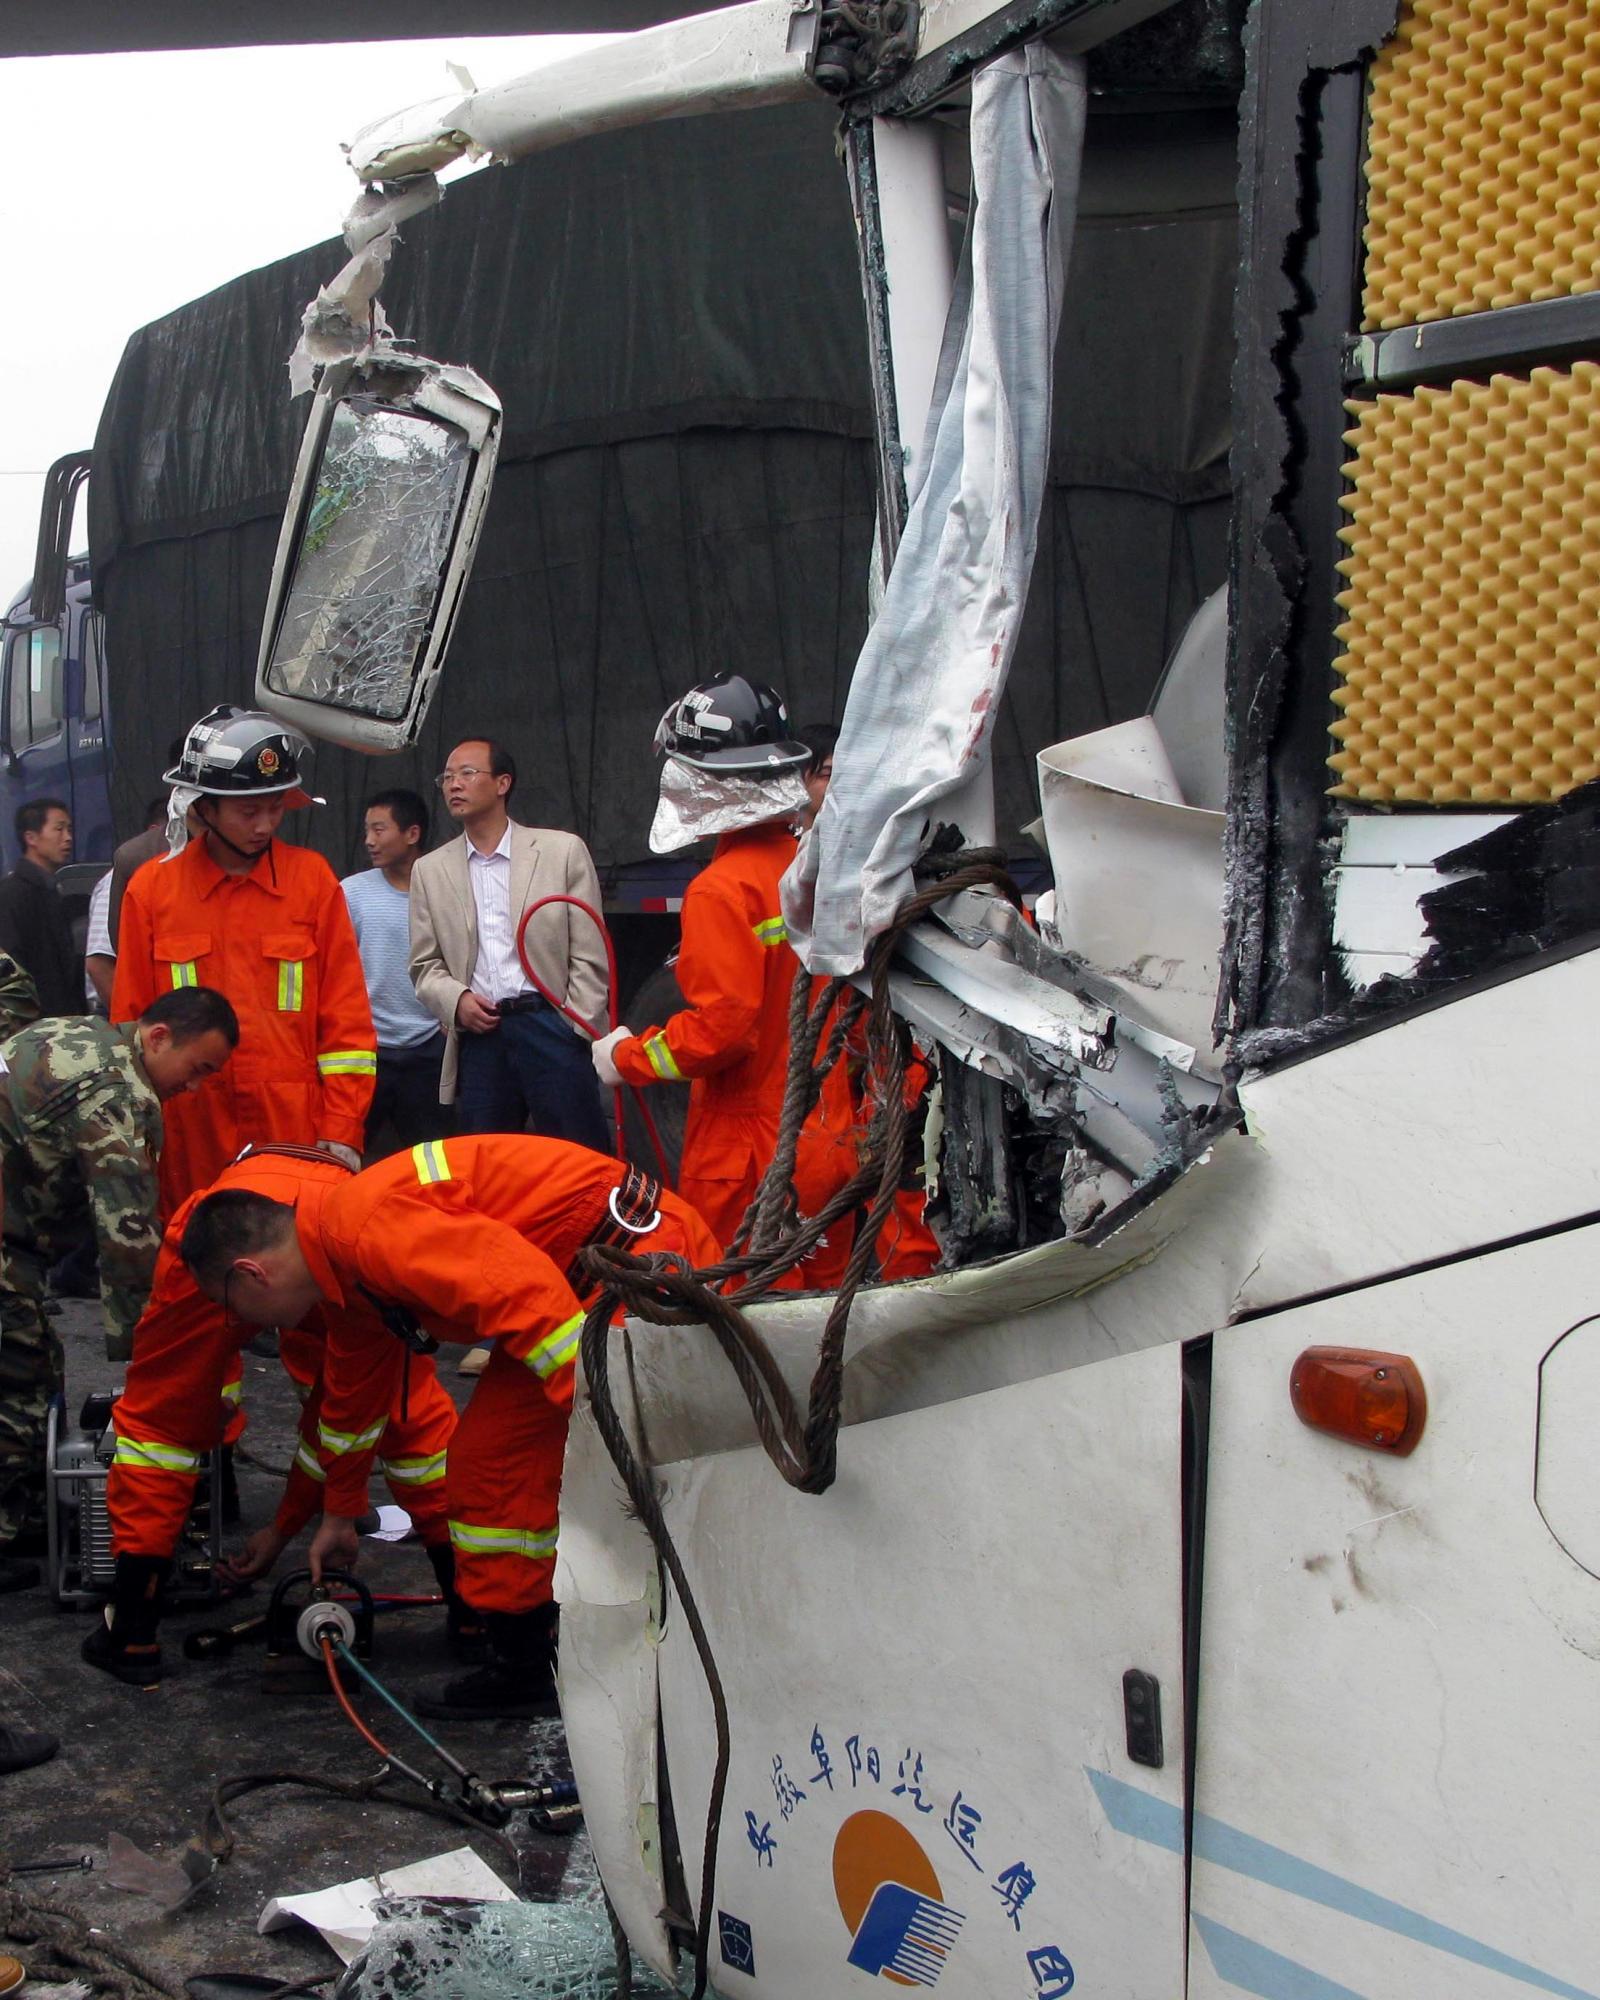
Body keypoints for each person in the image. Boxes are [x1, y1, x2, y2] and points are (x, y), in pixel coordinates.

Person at [178, 1132, 720, 1719]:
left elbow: (521, 1291)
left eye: (228, 1305)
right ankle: (526, 1655)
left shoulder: (363, 1230)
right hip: (591, 1273)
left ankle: (535, 1665)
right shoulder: (343, 1271)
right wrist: (335, 1513)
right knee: (491, 1465)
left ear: (251, 1274)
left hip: (636, 1266)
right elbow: (353, 1409)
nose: (237, 1322)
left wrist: (616, 1423)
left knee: (498, 1470)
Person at [84, 1144, 459, 1688]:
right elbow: (339, 1414)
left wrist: (297, 1524)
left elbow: (175, 1415)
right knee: (411, 1419)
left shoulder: (221, 1234)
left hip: (236, 1233)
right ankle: (478, 1617)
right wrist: (306, 1520)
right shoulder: (357, 1234)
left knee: (160, 1423)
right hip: (334, 1236)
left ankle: (133, 1632)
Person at [0, 989, 239, 1585]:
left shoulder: (75, 1031)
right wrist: (157, 1368)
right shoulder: (119, 1095)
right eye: (198, 1069)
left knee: (33, 1365)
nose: (194, 1088)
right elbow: (127, 1242)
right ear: (158, 1037)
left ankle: (22, 1507)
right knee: (19, 1378)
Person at [111, 707, 377, 1216]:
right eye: (248, 811)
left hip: (292, 1126)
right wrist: (135, 1135)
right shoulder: (152, 891)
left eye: (275, 808)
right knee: (192, 1266)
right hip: (189, 1127)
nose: (265, 825)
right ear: (203, 808)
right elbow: (130, 1024)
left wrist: (342, 1129)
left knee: (289, 1274)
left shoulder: (311, 881)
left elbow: (346, 1025)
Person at [591, 675, 813, 1248]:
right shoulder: (808, 866)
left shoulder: (721, 889)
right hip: (821, 1129)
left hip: (749, 1149)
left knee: (741, 1304)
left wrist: (627, 1057)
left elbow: (722, 1032)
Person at [409, 738, 609, 1150]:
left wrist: (575, 1025)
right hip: (483, 1035)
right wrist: (457, 1000)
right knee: (489, 1168)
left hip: (551, 1025)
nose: (453, 785)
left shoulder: (560, 851)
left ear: (502, 783)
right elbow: (424, 964)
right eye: (446, 777)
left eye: (467, 773)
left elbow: (589, 951)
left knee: (580, 1160)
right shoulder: (429, 871)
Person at [342, 788, 454, 1156]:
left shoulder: (447, 893)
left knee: (433, 1162)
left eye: (379, 830)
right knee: (346, 1156)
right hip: (368, 1052)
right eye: (367, 831)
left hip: (429, 1051)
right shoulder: (351, 893)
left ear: (412, 834)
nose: (369, 841)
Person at [0, 797, 81, 1017]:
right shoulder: (12, 894)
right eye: (59, 829)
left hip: (64, 1024)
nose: (68, 838)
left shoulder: (52, 889)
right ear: (31, 837)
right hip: (33, 1030)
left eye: (69, 829)